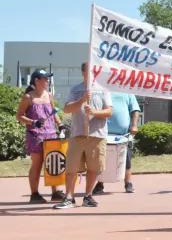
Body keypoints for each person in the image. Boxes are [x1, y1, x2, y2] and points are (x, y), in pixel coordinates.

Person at [54, 62, 113, 209]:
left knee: (94, 167)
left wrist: (94, 112)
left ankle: (88, 196)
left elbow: (109, 112)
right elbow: (67, 109)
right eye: (89, 70)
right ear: (83, 72)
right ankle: (69, 197)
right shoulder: (75, 89)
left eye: (94, 70)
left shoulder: (103, 89)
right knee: (71, 167)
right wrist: (81, 100)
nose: (92, 73)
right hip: (78, 134)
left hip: (97, 135)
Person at [16, 69, 63, 203]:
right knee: (37, 164)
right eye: (45, 79)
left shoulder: (49, 95)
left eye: (48, 79)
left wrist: (60, 124)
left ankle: (55, 193)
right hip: (35, 136)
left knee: (53, 163)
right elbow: (19, 116)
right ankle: (34, 194)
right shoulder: (28, 97)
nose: (48, 81)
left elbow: (53, 113)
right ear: (37, 80)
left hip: (51, 135)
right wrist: (33, 122)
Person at [93, 92, 140, 194]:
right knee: (101, 159)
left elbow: (135, 110)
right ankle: (100, 183)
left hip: (123, 135)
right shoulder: (103, 90)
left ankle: (128, 183)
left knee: (126, 158)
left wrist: (134, 125)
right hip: (103, 132)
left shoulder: (127, 91)